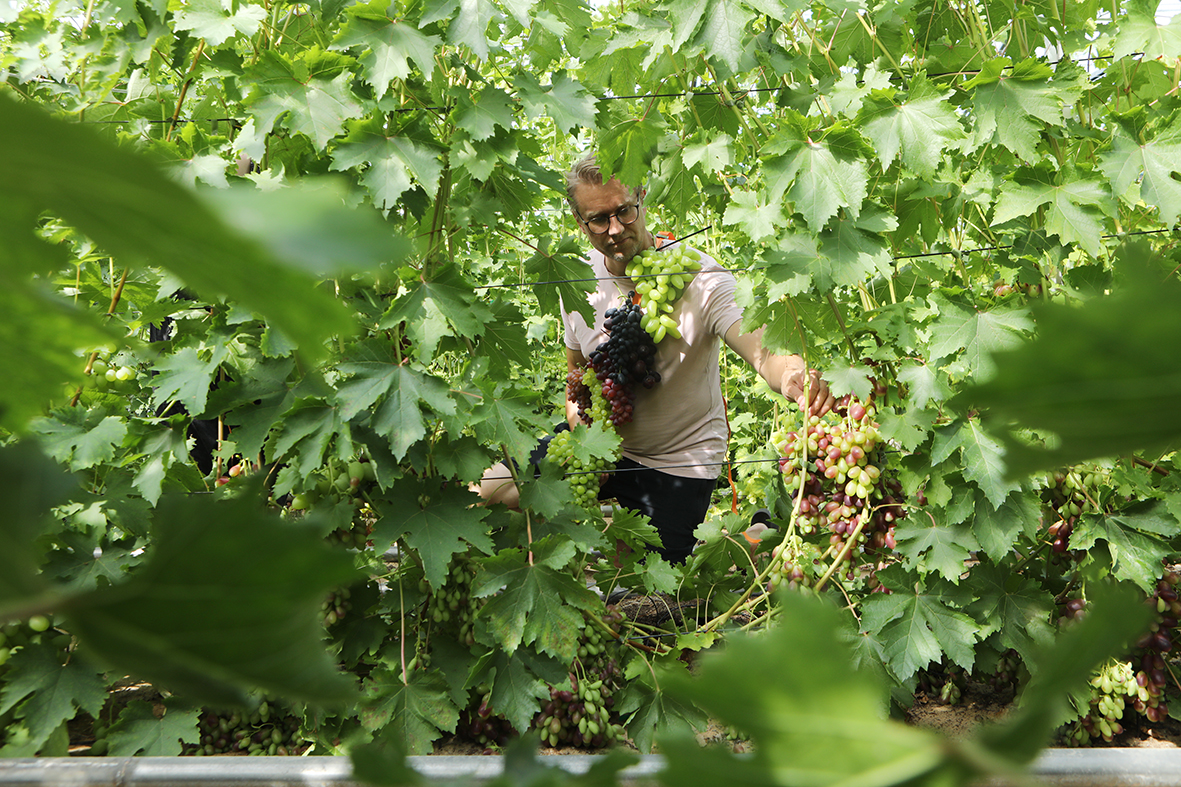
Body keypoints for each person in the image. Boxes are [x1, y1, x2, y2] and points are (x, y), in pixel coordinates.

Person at [477, 152, 835, 563]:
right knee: (489, 492)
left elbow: (762, 352)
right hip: (605, 445)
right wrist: (587, 440)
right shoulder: (575, 276)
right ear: (580, 222)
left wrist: (791, 374)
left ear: (641, 199)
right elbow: (577, 374)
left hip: (680, 458)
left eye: (624, 211)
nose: (615, 229)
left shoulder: (700, 277)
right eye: (598, 219)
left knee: (648, 585)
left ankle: (752, 536)